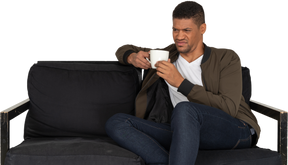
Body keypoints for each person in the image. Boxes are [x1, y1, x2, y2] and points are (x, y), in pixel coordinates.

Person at [106, 1, 263, 165]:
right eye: (175, 29)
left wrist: (181, 83)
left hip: (235, 130)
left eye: (186, 30)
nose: (178, 37)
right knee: (117, 122)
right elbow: (122, 47)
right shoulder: (167, 54)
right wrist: (131, 57)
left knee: (185, 109)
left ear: (203, 29)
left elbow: (228, 108)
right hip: (184, 130)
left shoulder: (227, 57)